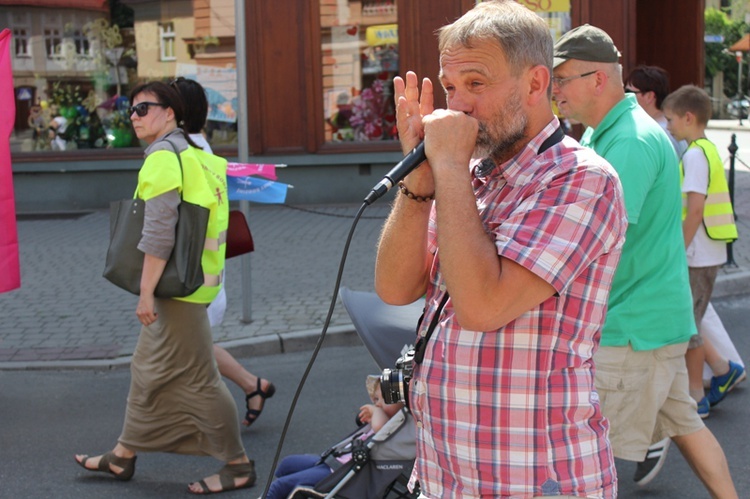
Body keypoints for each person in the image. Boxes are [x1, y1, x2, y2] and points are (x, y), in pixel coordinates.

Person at [374, 2, 628, 497]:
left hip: (534, 479)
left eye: (476, 84)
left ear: (535, 85)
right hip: (447, 475)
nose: (457, 106)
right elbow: (394, 287)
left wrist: (447, 167)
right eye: (449, 87)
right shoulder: (470, 177)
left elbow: (482, 306)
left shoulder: (581, 179)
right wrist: (422, 179)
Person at [552, 24, 738, 497]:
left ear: (597, 79)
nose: (553, 90)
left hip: (630, 328)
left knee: (582, 461)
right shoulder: (610, 131)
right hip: (653, 320)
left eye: (562, 78)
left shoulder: (629, 141)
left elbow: (602, 238)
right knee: (688, 426)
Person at [74, 81, 256, 495]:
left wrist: (144, 292)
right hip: (198, 285)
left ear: (170, 112)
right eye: (130, 111)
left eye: (144, 109)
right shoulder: (199, 157)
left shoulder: (162, 157)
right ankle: (123, 454)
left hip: (177, 294)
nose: (134, 118)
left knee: (199, 380)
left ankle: (238, 465)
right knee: (147, 370)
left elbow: (158, 233)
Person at [170, 76, 275, 427]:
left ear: (176, 112)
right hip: (200, 268)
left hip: (193, 271)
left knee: (184, 348)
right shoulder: (197, 149)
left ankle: (213, 423)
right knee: (189, 347)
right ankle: (250, 385)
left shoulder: (188, 154)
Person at [662, 84, 744, 417]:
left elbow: (694, 210)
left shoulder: (694, 154)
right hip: (707, 252)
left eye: (670, 120)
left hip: (696, 254)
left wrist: (677, 251)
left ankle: (698, 397)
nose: (667, 127)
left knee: (688, 326)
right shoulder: (707, 149)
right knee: (690, 321)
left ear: (688, 117)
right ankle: (723, 369)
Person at [263, 376, 404, 499]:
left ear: (403, 403)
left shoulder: (393, 425)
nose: (378, 404)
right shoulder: (381, 418)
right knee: (287, 464)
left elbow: (382, 429)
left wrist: (375, 411)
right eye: (376, 399)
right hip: (334, 460)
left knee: (279, 486)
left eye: (385, 399)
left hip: (340, 472)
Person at [624, 65, 687, 157]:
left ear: (649, 96)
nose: (625, 96)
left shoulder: (657, 132)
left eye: (628, 92)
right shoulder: (669, 127)